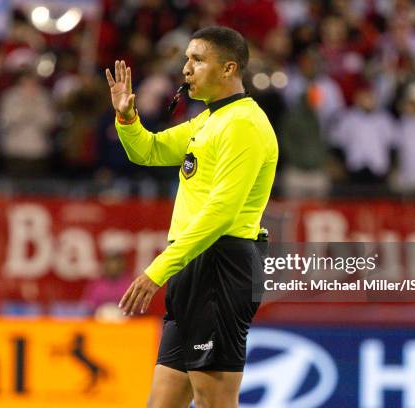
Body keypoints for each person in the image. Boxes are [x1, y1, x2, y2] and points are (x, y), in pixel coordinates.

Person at [106, 26, 278, 408]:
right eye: (187, 59)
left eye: (197, 60)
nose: (186, 69)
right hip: (194, 266)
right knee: (163, 402)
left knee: (214, 401)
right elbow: (148, 151)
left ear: (229, 68)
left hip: (221, 266)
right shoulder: (208, 121)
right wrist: (128, 118)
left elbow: (221, 212)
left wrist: (158, 270)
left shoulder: (243, 125)